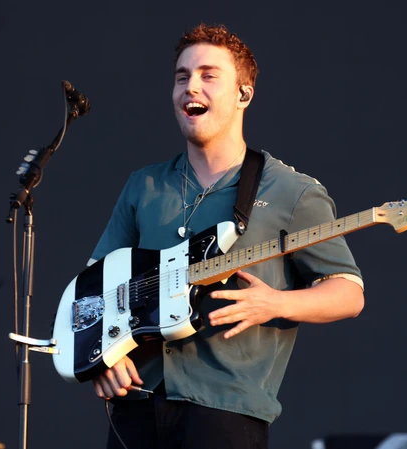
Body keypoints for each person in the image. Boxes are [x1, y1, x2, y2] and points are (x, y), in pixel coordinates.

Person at [88, 23, 364, 449]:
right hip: (135, 405)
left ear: (243, 94)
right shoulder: (143, 186)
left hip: (225, 411)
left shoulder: (292, 191)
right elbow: (95, 285)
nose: (190, 87)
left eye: (208, 75)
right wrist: (101, 359)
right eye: (182, 77)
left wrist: (273, 303)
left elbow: (348, 292)